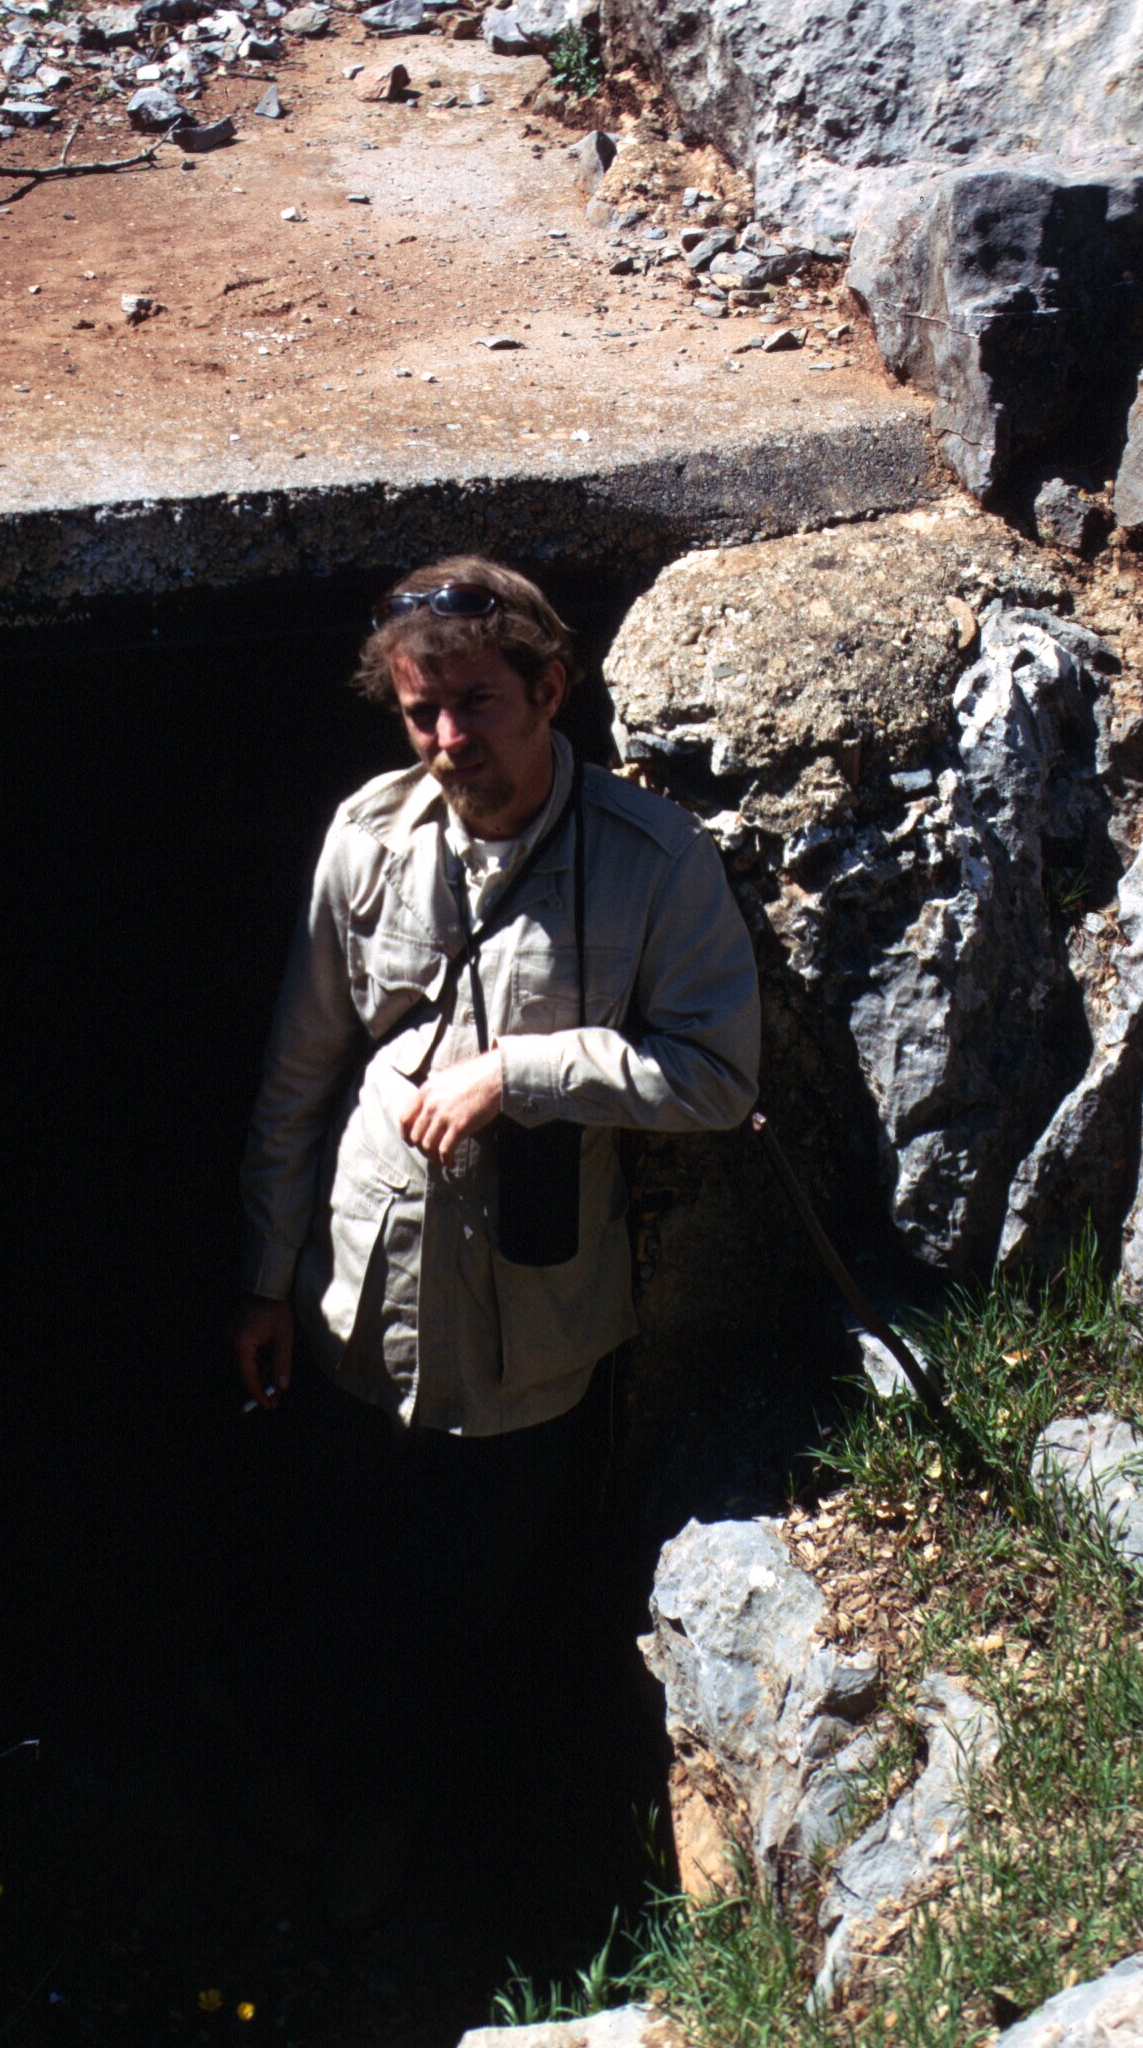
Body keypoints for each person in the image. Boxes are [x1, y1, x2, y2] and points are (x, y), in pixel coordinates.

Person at [232, 555, 759, 1923]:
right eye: (421, 714)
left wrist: (520, 1073)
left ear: (549, 688)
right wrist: (261, 1276)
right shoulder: (368, 840)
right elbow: (298, 1072)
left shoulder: (654, 864)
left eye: (475, 702)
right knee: (335, 1571)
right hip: (360, 1295)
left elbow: (714, 1076)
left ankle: (404, 1831)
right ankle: (314, 1790)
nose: (449, 739)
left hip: (530, 1336)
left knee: (464, 1608)